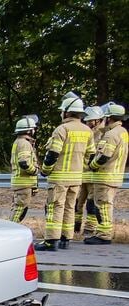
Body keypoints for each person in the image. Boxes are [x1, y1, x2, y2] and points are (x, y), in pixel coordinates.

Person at [36, 91, 96, 251]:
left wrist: (45, 170)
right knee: (70, 207)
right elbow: (91, 156)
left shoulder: (62, 130)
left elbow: (52, 154)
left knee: (55, 207)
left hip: (59, 178)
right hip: (76, 178)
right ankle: (65, 239)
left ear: (67, 112)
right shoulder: (87, 131)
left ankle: (51, 241)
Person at [84, 102, 128, 245]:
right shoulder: (123, 132)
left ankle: (104, 235)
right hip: (114, 175)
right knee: (106, 205)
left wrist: (92, 165)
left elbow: (103, 157)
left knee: (102, 206)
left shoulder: (110, 135)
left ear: (109, 118)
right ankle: (103, 232)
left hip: (105, 177)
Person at [76, 105, 106, 235]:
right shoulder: (89, 132)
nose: (87, 123)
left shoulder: (102, 135)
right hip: (84, 174)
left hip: (94, 175)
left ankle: (89, 229)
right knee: (78, 203)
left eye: (90, 120)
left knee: (91, 204)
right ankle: (76, 227)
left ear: (98, 120)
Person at [9, 115, 39, 223]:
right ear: (30, 130)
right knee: (20, 209)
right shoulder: (24, 143)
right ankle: (12, 229)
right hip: (24, 183)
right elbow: (24, 162)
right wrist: (35, 171)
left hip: (21, 183)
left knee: (18, 208)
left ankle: (12, 228)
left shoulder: (19, 142)